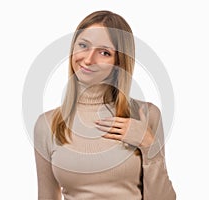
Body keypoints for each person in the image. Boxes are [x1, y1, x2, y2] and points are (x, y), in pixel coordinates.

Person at [34, 10, 176, 200]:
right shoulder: (47, 124)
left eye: (104, 52)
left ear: (119, 62)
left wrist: (149, 145)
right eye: (83, 45)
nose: (88, 59)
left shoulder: (146, 115)